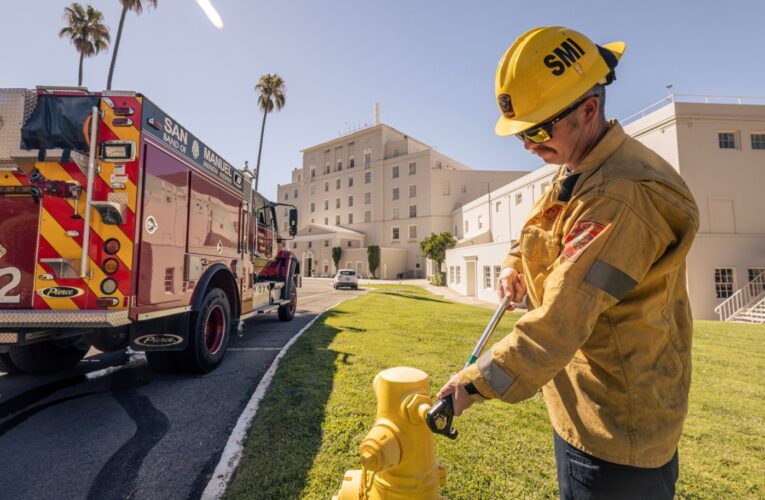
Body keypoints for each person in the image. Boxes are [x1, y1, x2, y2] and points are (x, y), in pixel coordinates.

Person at [437, 26, 699, 499]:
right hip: (587, 405)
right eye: (521, 133)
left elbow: (560, 320)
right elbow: (545, 224)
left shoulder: (619, 199)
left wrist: (471, 386)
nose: (527, 146)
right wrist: (515, 262)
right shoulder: (581, 165)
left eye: (537, 130)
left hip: (615, 435)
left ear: (589, 110)